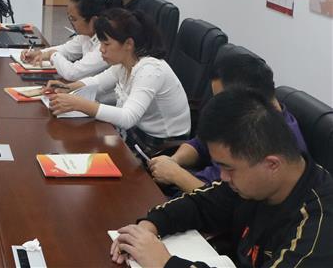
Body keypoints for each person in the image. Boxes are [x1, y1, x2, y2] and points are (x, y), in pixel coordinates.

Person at [110, 90, 333, 267]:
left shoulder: (319, 226)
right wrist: (149, 227)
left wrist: (165, 263)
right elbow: (201, 204)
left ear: (272, 164)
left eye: (228, 168)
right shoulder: (255, 184)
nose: (223, 177)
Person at [147, 53, 307, 194]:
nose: (218, 105)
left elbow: (227, 204)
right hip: (194, 187)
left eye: (221, 99)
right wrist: (174, 161)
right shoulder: (240, 116)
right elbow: (200, 144)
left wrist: (176, 175)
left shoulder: (274, 144)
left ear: (248, 97)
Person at [44, 8, 190, 153]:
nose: (101, 49)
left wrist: (80, 104)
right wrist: (69, 87)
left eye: (106, 44)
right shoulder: (125, 62)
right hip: (135, 133)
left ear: (128, 44)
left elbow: (128, 117)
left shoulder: (150, 70)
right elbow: (98, 82)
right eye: (101, 43)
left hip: (161, 146)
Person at [21, 0, 108, 81]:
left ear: (93, 21)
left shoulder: (106, 45)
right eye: (69, 18)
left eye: (73, 19)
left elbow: (72, 73)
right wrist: (39, 53)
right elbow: (66, 50)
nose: (71, 23)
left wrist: (51, 55)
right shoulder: (86, 35)